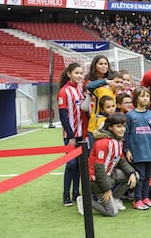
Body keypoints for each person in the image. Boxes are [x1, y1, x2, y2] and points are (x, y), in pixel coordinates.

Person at [79, 113, 138, 217]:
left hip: (109, 174)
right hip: (95, 179)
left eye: (124, 126)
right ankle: (85, 200)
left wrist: (131, 173)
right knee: (112, 212)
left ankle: (114, 198)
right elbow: (99, 169)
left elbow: (122, 161)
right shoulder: (103, 142)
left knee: (135, 175)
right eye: (119, 126)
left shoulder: (118, 140)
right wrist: (107, 189)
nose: (122, 129)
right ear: (110, 127)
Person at [124, 86, 151, 210]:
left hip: (149, 151)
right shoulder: (130, 115)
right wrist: (127, 149)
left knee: (147, 176)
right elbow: (126, 134)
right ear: (136, 98)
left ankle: (145, 197)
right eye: (142, 96)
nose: (145, 99)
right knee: (140, 176)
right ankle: (137, 199)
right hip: (137, 152)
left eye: (147, 96)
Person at [57, 62, 88, 206]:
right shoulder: (64, 91)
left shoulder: (81, 90)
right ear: (69, 74)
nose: (79, 76)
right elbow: (63, 117)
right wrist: (71, 136)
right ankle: (66, 196)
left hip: (83, 134)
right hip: (71, 136)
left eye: (81, 73)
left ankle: (76, 193)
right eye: (77, 73)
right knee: (71, 165)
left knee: (80, 166)